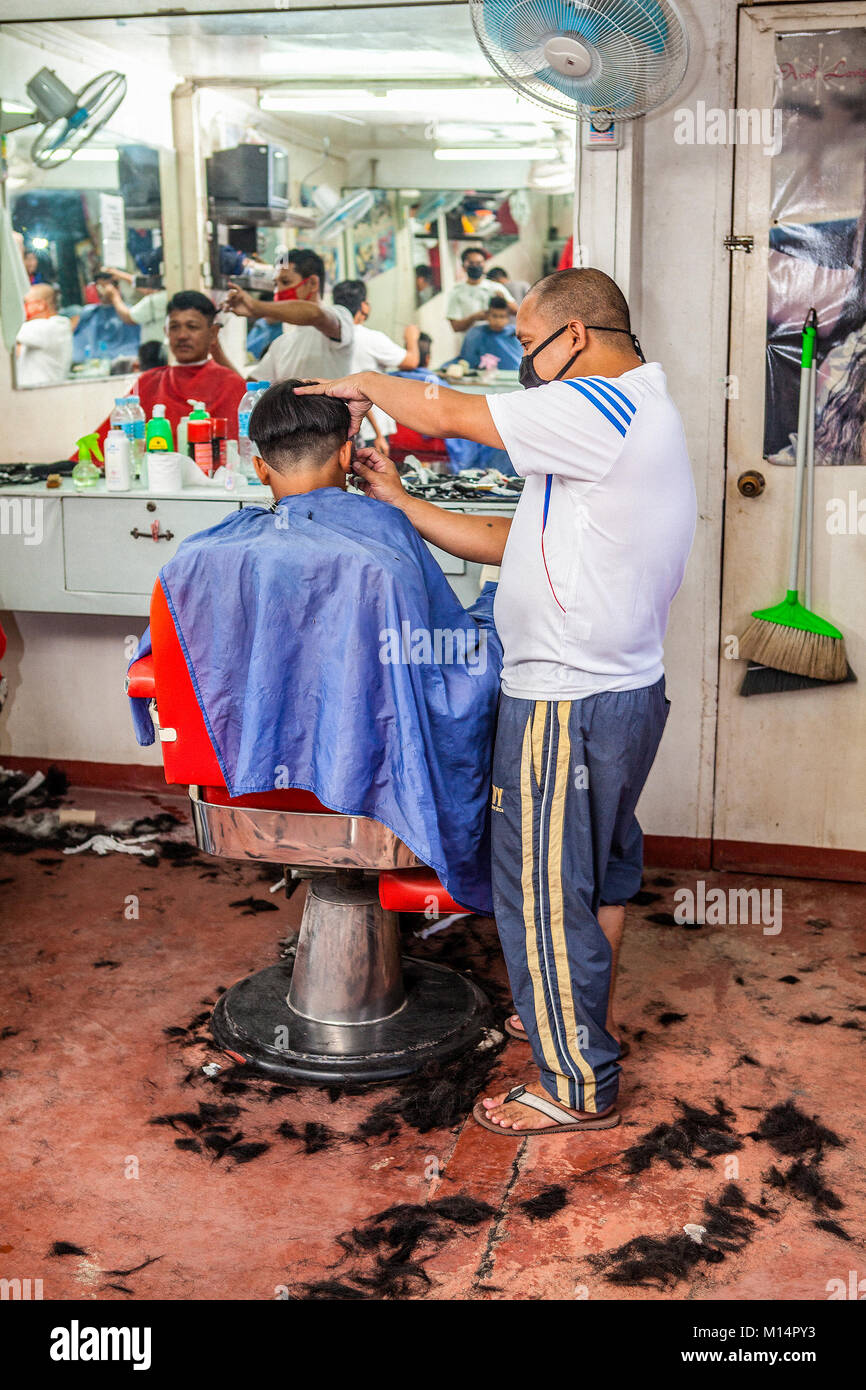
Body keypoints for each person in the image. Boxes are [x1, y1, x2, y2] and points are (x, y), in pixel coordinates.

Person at [298, 267, 697, 1136]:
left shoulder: (603, 407)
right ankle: (571, 1021)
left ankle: (575, 1084)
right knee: (599, 879)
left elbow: (445, 412)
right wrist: (401, 501)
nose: (522, 362)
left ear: (578, 335)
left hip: (567, 701)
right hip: (620, 691)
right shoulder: (630, 417)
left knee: (547, 894)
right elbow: (510, 539)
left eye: (526, 344)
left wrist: (362, 381)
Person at [129, 380, 503, 915]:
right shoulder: (380, 546)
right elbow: (446, 665)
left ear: (260, 469)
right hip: (375, 780)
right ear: (348, 456)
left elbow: (162, 660)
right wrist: (493, 620)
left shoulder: (195, 558)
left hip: (246, 781)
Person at [89, 290, 246, 450]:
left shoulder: (231, 384)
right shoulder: (149, 382)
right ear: (166, 332)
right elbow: (109, 442)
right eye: (174, 327)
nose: (182, 335)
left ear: (213, 333)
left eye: (192, 327)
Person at [222, 249, 355, 384]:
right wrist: (215, 348)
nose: (278, 290)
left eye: (285, 282)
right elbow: (249, 389)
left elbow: (315, 315)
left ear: (313, 283)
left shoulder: (340, 317)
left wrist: (257, 307)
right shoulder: (280, 345)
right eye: (275, 284)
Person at [333, 278, 421, 454]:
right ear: (363, 306)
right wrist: (412, 338)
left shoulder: (329, 338)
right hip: (370, 430)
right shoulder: (371, 338)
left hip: (339, 425)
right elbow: (411, 361)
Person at [446, 247, 517, 336]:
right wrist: (474, 318)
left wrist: (504, 301)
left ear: (484, 265)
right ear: (464, 267)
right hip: (473, 341)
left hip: (498, 339)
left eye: (479, 263)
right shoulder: (456, 292)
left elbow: (517, 312)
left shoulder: (496, 287)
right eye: (471, 263)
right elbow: (455, 327)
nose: (475, 266)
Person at [15, 283, 73, 387]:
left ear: (40, 305)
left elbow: (8, 332)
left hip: (42, 395)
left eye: (26, 303)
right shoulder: (37, 331)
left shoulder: (52, 327)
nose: (22, 307)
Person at [445, 296, 523, 372]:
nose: (498, 321)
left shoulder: (516, 333)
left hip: (515, 377)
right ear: (487, 316)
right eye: (494, 316)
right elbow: (467, 360)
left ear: (508, 318)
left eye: (502, 316)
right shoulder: (475, 334)